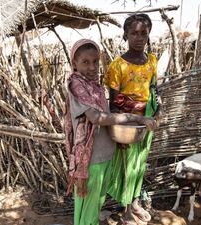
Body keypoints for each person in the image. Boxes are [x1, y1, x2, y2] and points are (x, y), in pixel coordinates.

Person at [64, 39, 155, 225]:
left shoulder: (95, 86)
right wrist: (135, 117)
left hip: (105, 155)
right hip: (91, 161)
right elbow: (97, 118)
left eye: (95, 61)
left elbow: (106, 116)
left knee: (95, 206)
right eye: (85, 62)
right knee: (87, 211)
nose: (92, 67)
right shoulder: (77, 86)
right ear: (74, 63)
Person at [104, 14, 161, 224]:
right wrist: (117, 131)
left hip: (147, 121)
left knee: (140, 163)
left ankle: (135, 202)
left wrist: (159, 109)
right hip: (127, 123)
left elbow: (154, 88)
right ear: (126, 35)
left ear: (148, 35)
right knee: (127, 165)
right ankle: (126, 208)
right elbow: (114, 102)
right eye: (134, 33)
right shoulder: (117, 66)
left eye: (143, 33)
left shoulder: (152, 61)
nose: (139, 38)